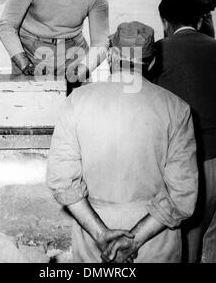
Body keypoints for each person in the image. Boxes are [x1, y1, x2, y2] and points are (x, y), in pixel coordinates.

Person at [47, 21, 198, 263]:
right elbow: (182, 194)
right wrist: (134, 240)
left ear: (111, 55)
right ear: (151, 62)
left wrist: (101, 234)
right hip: (155, 239)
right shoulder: (176, 108)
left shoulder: (76, 101)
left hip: (93, 239)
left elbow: (62, 183)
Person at [150, 0, 216, 263]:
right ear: (200, 21)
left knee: (184, 247)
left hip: (189, 165)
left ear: (165, 22)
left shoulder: (157, 53)